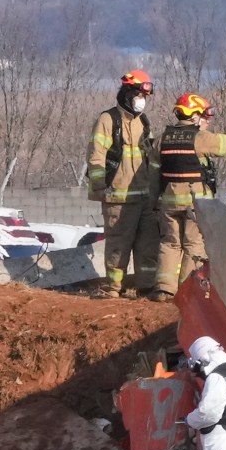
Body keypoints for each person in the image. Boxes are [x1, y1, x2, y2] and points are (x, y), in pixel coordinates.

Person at [152, 93, 226, 297]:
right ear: (193, 115)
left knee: (169, 243)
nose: (205, 121)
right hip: (193, 203)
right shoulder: (199, 138)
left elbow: (153, 163)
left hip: (168, 202)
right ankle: (188, 291)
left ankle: (164, 288)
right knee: (193, 244)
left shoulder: (163, 138)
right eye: (202, 116)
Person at [85, 70, 160, 298]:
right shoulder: (108, 120)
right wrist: (100, 187)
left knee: (148, 247)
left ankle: (146, 287)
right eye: (139, 94)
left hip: (144, 198)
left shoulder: (143, 122)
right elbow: (96, 156)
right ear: (127, 93)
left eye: (144, 96)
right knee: (118, 245)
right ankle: (114, 288)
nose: (142, 100)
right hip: (118, 197)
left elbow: (151, 158)